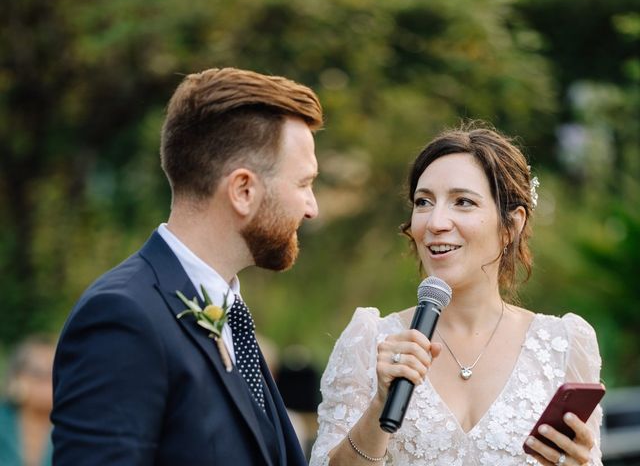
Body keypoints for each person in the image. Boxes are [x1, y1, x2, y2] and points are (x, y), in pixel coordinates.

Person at [51, 67, 323, 465]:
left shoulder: (232, 317)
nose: (312, 208)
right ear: (243, 190)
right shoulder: (123, 318)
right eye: (304, 184)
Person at [309, 124, 603, 466]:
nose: (435, 221)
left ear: (512, 224)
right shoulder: (370, 341)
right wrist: (379, 405)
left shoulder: (565, 345)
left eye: (463, 202)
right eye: (423, 202)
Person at [0, 335, 55, 466]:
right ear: (17, 377)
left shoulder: (71, 425)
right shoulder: (3, 420)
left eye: (54, 373)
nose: (49, 381)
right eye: (39, 373)